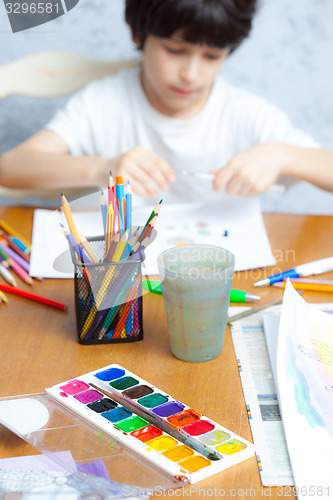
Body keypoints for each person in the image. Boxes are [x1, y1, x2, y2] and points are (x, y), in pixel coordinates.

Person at [0, 0, 333, 204]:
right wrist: (102, 168)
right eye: (175, 50)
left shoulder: (245, 113)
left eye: (212, 55)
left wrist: (284, 155)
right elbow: (11, 168)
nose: (191, 73)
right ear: (137, 35)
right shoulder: (104, 102)